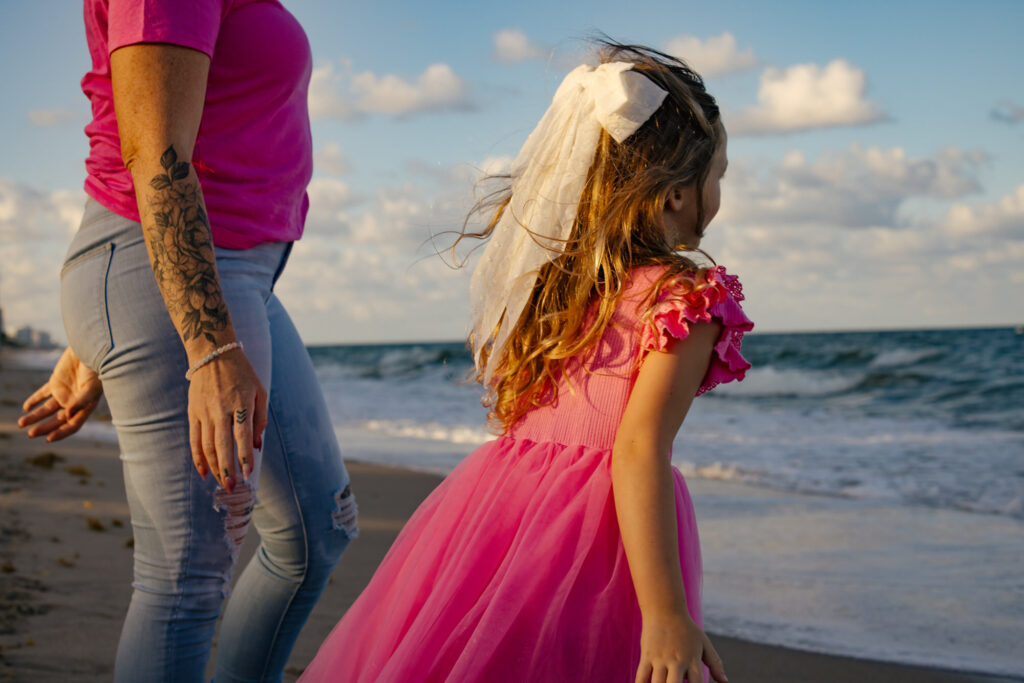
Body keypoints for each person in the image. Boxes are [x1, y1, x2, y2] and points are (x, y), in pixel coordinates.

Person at [299, 42, 752, 683]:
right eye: (719, 176)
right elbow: (637, 450)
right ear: (678, 194)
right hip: (601, 536)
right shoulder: (682, 298)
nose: (719, 194)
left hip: (501, 509)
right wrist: (666, 611)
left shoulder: (559, 291)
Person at [17, 1, 357, 680]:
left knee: (316, 530)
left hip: (229, 279)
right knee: (186, 579)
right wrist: (207, 346)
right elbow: (154, 148)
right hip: (185, 281)